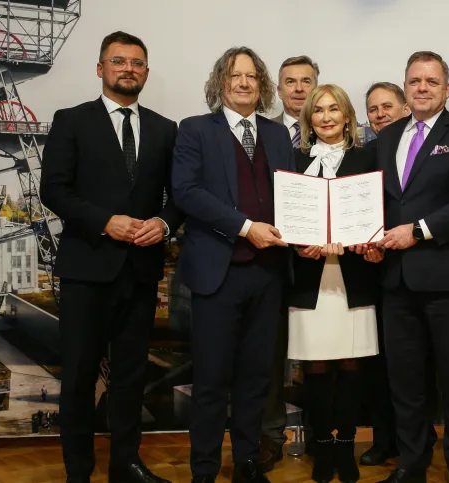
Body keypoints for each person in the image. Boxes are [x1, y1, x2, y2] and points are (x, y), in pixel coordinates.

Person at [39, 31, 183, 483]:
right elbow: (53, 190)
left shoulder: (165, 128)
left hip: (140, 272)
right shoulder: (71, 120)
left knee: (130, 376)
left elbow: (179, 196)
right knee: (80, 377)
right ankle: (78, 472)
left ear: (146, 71)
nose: (129, 69)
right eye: (118, 61)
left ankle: (127, 465)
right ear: (100, 68)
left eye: (138, 63)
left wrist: (163, 223)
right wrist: (106, 221)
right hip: (87, 268)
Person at [172, 46, 293, 483]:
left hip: (268, 275)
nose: (243, 83)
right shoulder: (195, 130)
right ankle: (203, 470)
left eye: (251, 76)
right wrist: (246, 227)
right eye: (234, 75)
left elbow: (293, 198)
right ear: (220, 83)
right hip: (216, 275)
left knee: (256, 379)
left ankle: (246, 462)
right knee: (210, 382)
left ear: (260, 85)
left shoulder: (279, 137)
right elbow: (185, 193)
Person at [374, 51, 449, 483]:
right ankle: (412, 463)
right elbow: (380, 205)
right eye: (414, 81)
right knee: (405, 384)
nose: (422, 88)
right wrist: (371, 241)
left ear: (446, 88)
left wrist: (418, 230)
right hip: (396, 282)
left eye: (431, 81)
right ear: (406, 87)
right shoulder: (385, 139)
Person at [287, 84, 384, 483]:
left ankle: (345, 446)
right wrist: (298, 245)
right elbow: (284, 215)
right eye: (318, 110)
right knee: (317, 368)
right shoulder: (293, 161)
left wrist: (370, 241)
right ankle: (321, 448)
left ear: (348, 116)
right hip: (310, 280)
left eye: (334, 109)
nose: (326, 117)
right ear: (308, 118)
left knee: (351, 365)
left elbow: (380, 214)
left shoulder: (367, 158)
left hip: (354, 277)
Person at [360, 82, 437, 468]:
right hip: (375, 270)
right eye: (372, 109)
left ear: (406, 106)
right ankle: (385, 438)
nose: (379, 114)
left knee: (417, 368)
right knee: (382, 365)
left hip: (423, 270)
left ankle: (420, 443)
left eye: (387, 106)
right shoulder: (368, 152)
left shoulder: (423, 149)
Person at [261, 53, 319, 472]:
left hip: (326, 265)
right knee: (269, 356)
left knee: (322, 356)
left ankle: (323, 433)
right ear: (278, 90)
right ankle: (269, 436)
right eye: (290, 82)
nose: (299, 88)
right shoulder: (261, 135)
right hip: (274, 262)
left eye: (306, 81)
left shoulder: (340, 135)